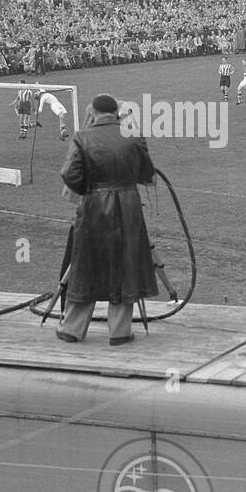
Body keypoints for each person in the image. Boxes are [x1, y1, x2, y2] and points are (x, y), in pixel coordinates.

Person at [56, 94, 159, 345]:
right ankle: (120, 332)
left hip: (93, 207)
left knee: (85, 264)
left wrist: (89, 191)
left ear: (93, 111)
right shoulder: (133, 135)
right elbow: (147, 173)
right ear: (116, 112)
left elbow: (69, 174)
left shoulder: (82, 137)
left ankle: (72, 328)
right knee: (126, 264)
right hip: (129, 207)